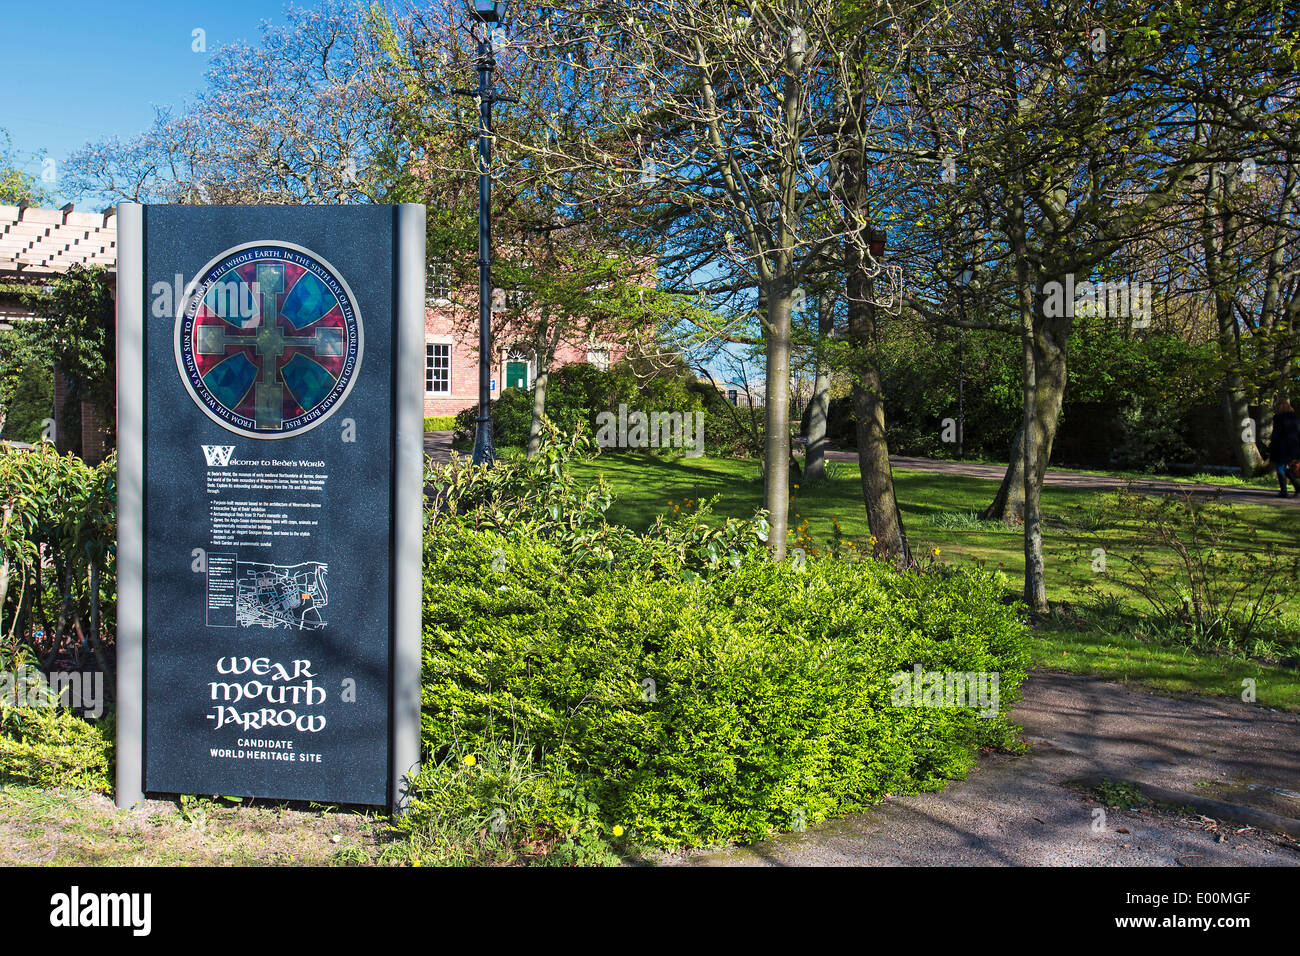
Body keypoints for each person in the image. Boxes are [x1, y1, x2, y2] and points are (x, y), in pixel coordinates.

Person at [1268, 397, 1300, 497]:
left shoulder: (1278, 418)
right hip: (1293, 447)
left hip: (1281, 447)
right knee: (1284, 467)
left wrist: (1271, 445)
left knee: (1279, 467)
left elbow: (1276, 434)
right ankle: (1296, 487)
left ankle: (1284, 491)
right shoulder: (1295, 418)